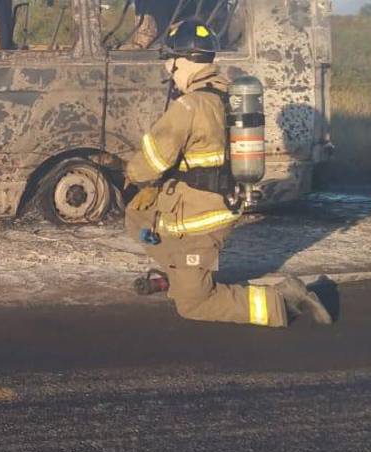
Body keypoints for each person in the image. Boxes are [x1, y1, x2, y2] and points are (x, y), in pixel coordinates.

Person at [124, 18, 332, 327]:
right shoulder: (228, 97)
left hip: (196, 219)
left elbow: (149, 162)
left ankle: (283, 302)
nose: (168, 69)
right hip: (216, 206)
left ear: (185, 60)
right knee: (138, 217)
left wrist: (129, 174)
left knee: (194, 304)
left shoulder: (190, 106)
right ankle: (180, 275)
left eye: (170, 60)